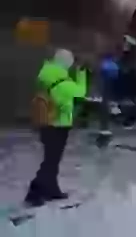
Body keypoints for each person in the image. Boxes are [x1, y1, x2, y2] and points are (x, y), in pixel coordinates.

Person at [25, 49, 88, 207]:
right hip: (58, 125)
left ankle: (52, 189)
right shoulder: (62, 82)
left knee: (52, 160)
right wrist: (81, 74)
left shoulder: (46, 76)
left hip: (46, 123)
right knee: (51, 162)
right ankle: (34, 192)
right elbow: (81, 92)